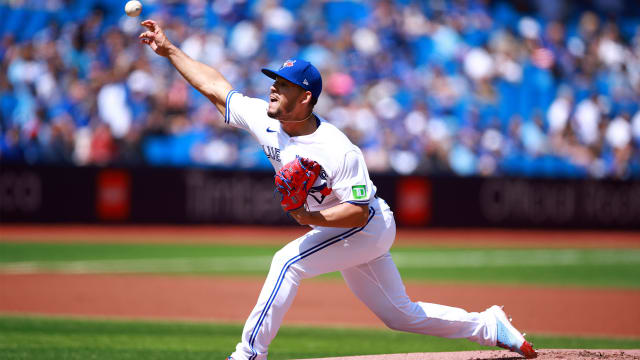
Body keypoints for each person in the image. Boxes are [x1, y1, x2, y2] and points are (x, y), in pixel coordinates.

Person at [138, 19, 538, 360]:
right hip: (342, 228)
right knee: (401, 315)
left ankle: (248, 354)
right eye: (274, 79)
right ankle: (488, 325)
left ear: (306, 97)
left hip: (365, 224)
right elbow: (216, 87)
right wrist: (170, 49)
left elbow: (359, 212)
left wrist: (309, 217)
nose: (273, 88)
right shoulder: (265, 118)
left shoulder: (338, 148)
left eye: (284, 84)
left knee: (287, 263)